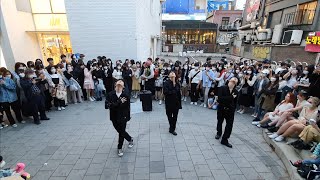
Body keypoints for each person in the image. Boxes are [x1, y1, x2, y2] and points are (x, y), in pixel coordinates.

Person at [106, 80, 133, 157]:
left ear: (123, 87)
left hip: (123, 116)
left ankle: (119, 147)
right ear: (115, 86)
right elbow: (107, 105)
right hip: (114, 116)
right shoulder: (110, 94)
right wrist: (118, 102)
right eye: (117, 85)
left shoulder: (125, 96)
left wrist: (128, 116)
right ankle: (130, 139)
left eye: (120, 86)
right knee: (120, 131)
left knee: (121, 132)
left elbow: (128, 107)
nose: (119, 87)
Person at [215, 77, 239, 148]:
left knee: (229, 125)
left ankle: (225, 139)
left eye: (234, 82)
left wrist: (232, 107)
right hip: (221, 108)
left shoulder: (236, 92)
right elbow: (220, 99)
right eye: (231, 81)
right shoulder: (222, 88)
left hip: (230, 110)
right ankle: (219, 133)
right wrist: (231, 97)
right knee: (220, 121)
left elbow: (235, 102)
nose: (232, 83)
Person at [163, 71, 182, 136]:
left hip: (176, 102)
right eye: (171, 74)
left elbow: (178, 92)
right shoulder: (166, 83)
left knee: (175, 116)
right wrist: (173, 89)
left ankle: (172, 128)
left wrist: (174, 84)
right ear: (169, 76)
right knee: (169, 115)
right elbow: (166, 92)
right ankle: (171, 125)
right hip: (169, 102)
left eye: (173, 74)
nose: (172, 74)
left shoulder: (177, 83)